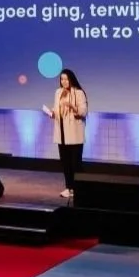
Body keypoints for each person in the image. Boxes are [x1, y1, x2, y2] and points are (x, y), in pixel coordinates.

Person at [42, 69, 88, 200]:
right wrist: (52, 113)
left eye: (66, 79)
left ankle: (79, 188)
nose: (64, 81)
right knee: (65, 163)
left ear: (71, 79)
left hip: (74, 135)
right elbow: (57, 110)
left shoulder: (78, 93)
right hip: (61, 133)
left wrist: (71, 106)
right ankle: (69, 187)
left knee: (76, 164)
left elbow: (83, 112)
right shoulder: (58, 92)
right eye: (62, 79)